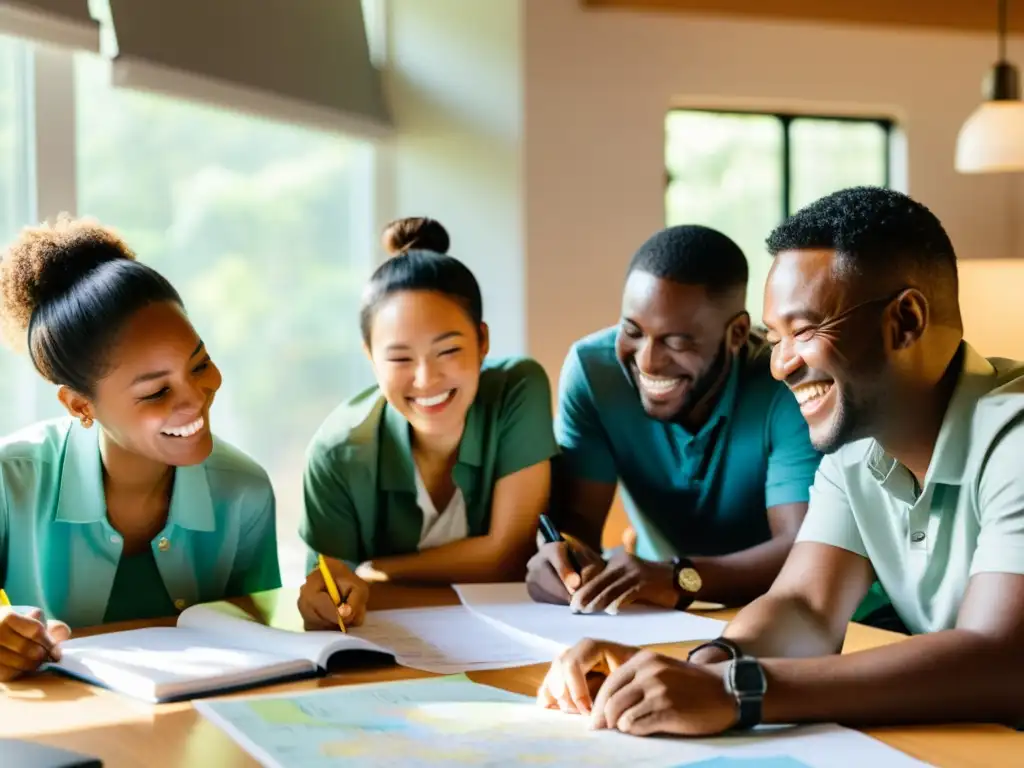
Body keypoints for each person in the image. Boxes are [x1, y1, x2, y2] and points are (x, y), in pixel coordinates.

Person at [537, 187, 1024, 735]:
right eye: (775, 337)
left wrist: (738, 691)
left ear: (906, 321)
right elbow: (804, 607)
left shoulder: (1016, 437)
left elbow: (1001, 659)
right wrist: (699, 669)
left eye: (805, 330)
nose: (779, 365)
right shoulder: (857, 447)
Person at [0, 216, 281, 681]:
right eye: (155, 392)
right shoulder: (12, 481)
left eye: (200, 364)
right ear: (79, 404)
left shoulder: (245, 491)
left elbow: (259, 632)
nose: (195, 397)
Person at [525, 225, 845, 617]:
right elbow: (578, 524)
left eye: (676, 342)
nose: (647, 361)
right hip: (652, 609)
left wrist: (680, 578)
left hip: (777, 611)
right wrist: (562, 558)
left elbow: (800, 547)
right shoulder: (594, 372)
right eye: (632, 331)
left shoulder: (784, 383)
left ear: (737, 333)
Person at [298, 217, 558, 630]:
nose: (426, 379)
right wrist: (332, 597)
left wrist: (376, 571)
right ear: (369, 355)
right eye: (400, 358)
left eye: (448, 350)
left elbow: (509, 553)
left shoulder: (517, 389)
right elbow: (330, 586)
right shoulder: (337, 452)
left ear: (483, 341)